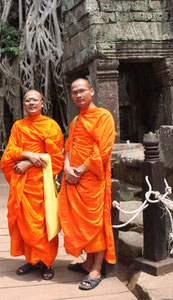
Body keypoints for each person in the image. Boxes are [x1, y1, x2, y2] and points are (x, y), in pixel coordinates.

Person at [58, 78, 117, 290]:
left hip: (93, 180)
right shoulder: (75, 121)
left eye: (82, 91)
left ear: (91, 91)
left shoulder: (104, 117)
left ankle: (96, 270)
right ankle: (87, 262)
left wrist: (80, 170)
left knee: (96, 224)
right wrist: (66, 167)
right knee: (80, 223)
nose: (79, 95)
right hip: (73, 178)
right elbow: (68, 147)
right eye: (74, 93)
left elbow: (103, 150)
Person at [0, 90, 64, 280]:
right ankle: (32, 260)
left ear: (42, 103)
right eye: (27, 100)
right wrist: (27, 154)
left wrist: (29, 161)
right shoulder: (18, 126)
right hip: (22, 183)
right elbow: (10, 151)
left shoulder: (51, 126)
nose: (31, 103)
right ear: (23, 104)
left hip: (42, 183)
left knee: (43, 223)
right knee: (24, 222)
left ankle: (47, 263)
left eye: (35, 100)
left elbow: (56, 157)